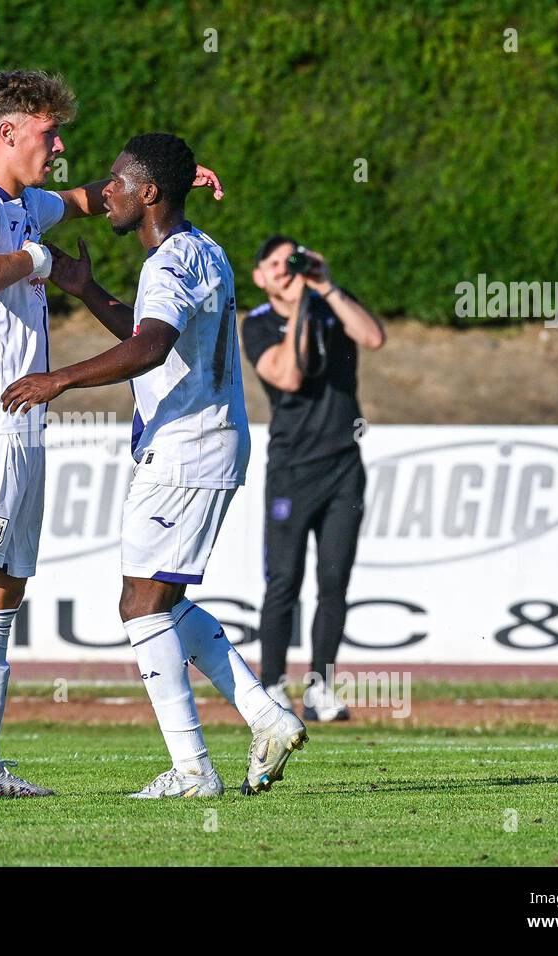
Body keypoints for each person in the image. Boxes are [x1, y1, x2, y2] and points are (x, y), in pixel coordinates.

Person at [0, 73, 224, 801]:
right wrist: (41, 262)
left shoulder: (27, 205)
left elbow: (91, 196)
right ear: (7, 133)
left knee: (5, 593)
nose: (58, 145)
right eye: (48, 133)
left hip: (25, 423)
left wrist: (176, 177)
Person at [2, 133, 306, 798]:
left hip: (186, 448)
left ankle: (194, 771)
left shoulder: (169, 263)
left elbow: (149, 348)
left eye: (116, 181)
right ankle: (266, 715)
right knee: (161, 601)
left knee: (141, 605)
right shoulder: (200, 250)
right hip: (205, 443)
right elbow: (151, 336)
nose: (103, 191)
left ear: (149, 194)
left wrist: (58, 380)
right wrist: (86, 289)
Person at [241, 236, 385, 722]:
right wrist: (303, 303)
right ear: (260, 277)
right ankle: (273, 684)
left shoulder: (328, 305)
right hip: (291, 467)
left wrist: (326, 286)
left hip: (343, 463)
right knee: (283, 580)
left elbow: (373, 338)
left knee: (334, 580)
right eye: (276, 265)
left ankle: (322, 684)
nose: (287, 271)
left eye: (293, 262)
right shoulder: (258, 324)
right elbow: (288, 376)